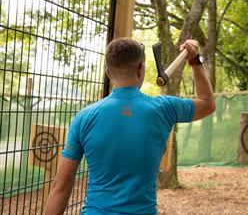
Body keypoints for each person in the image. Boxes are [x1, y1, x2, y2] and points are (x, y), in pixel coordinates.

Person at [44, 38, 215, 215]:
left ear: (108, 72)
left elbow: (60, 187)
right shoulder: (164, 109)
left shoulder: (84, 118)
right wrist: (195, 61)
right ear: (141, 69)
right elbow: (207, 104)